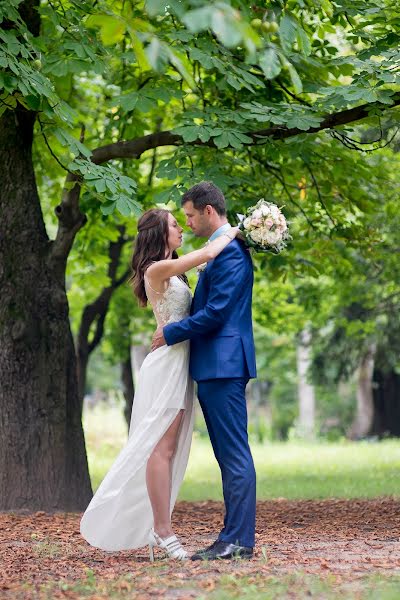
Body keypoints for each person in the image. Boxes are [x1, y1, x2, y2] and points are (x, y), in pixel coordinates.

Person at [80, 206, 241, 560]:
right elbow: (210, 252)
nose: (181, 228)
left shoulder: (173, 271)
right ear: (158, 233)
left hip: (180, 365)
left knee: (167, 448)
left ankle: (160, 528)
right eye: (173, 224)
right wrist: (240, 229)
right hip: (166, 367)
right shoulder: (157, 269)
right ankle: (163, 531)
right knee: (160, 449)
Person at [151, 181, 257, 561]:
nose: (189, 223)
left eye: (191, 216)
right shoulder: (222, 249)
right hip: (216, 363)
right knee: (228, 455)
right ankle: (232, 536)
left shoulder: (229, 255)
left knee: (233, 455)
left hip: (223, 363)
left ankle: (238, 541)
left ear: (209, 211)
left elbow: (216, 313)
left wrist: (171, 332)